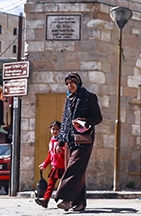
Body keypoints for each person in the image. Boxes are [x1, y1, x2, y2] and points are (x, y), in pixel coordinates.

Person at [55, 72, 103, 212]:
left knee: (74, 168)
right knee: (78, 171)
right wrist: (61, 142)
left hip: (85, 140)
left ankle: (65, 199)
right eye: (67, 83)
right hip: (70, 139)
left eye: (72, 82)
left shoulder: (89, 97)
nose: (70, 86)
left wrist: (84, 121)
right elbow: (65, 122)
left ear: (78, 82)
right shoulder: (68, 99)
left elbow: (98, 118)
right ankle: (79, 203)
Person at [35, 121, 66, 208]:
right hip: (55, 167)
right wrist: (45, 164)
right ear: (50, 130)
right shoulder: (51, 141)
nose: (55, 131)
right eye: (53, 129)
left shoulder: (62, 141)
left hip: (63, 166)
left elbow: (67, 154)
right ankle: (46, 200)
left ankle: (68, 200)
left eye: (57, 129)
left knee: (66, 184)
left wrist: (62, 151)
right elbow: (50, 155)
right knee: (51, 185)